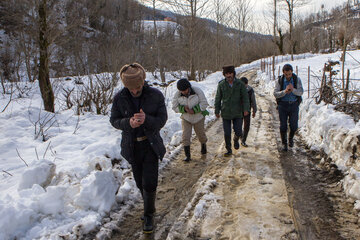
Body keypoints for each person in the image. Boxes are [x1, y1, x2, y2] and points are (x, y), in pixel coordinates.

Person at [110, 63, 167, 233]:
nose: (134, 91)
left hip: (150, 145)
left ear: (143, 81)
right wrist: (128, 123)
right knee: (139, 181)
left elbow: (162, 119)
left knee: (150, 181)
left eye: (138, 87)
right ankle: (150, 206)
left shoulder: (155, 95)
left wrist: (146, 119)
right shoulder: (120, 98)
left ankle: (148, 214)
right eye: (131, 88)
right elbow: (114, 120)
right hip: (132, 146)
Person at [215, 65, 250, 157]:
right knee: (227, 133)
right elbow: (218, 98)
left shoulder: (240, 84)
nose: (228, 75)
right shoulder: (221, 84)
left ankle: (235, 139)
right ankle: (228, 149)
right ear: (224, 75)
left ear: (233, 73)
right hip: (226, 112)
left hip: (238, 112)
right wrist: (216, 110)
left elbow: (245, 98)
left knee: (238, 131)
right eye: (226, 74)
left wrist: (246, 109)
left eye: (230, 73)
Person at [172, 78, 209, 162]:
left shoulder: (197, 91)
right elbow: (174, 107)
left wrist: (195, 110)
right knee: (185, 136)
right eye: (182, 91)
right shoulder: (177, 95)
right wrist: (183, 109)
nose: (183, 92)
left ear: (189, 87)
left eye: (185, 90)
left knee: (201, 134)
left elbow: (204, 103)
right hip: (186, 118)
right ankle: (187, 156)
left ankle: (203, 145)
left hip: (198, 117)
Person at [274, 63, 304, 151]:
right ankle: (284, 143)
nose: (288, 76)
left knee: (294, 126)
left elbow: (301, 92)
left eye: (289, 74)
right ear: (283, 73)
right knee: (283, 126)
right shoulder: (279, 81)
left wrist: (293, 90)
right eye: (286, 74)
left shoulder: (296, 80)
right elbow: (275, 94)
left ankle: (291, 138)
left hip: (294, 104)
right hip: (282, 105)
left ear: (292, 72)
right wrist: (284, 91)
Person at [240, 77, 257, 147]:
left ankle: (243, 140)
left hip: (247, 110)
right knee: (237, 126)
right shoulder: (236, 90)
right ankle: (240, 135)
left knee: (247, 126)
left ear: (247, 84)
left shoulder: (250, 90)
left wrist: (254, 110)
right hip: (238, 111)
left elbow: (253, 101)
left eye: (245, 85)